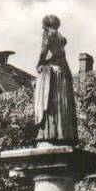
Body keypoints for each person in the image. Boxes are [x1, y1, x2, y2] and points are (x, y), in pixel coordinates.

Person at [34, 14, 78, 145]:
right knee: (62, 104)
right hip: (62, 72)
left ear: (47, 25)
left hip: (52, 73)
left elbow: (44, 49)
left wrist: (39, 63)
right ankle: (63, 133)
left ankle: (50, 134)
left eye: (43, 25)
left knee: (49, 103)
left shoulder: (48, 34)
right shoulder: (60, 37)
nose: (42, 28)